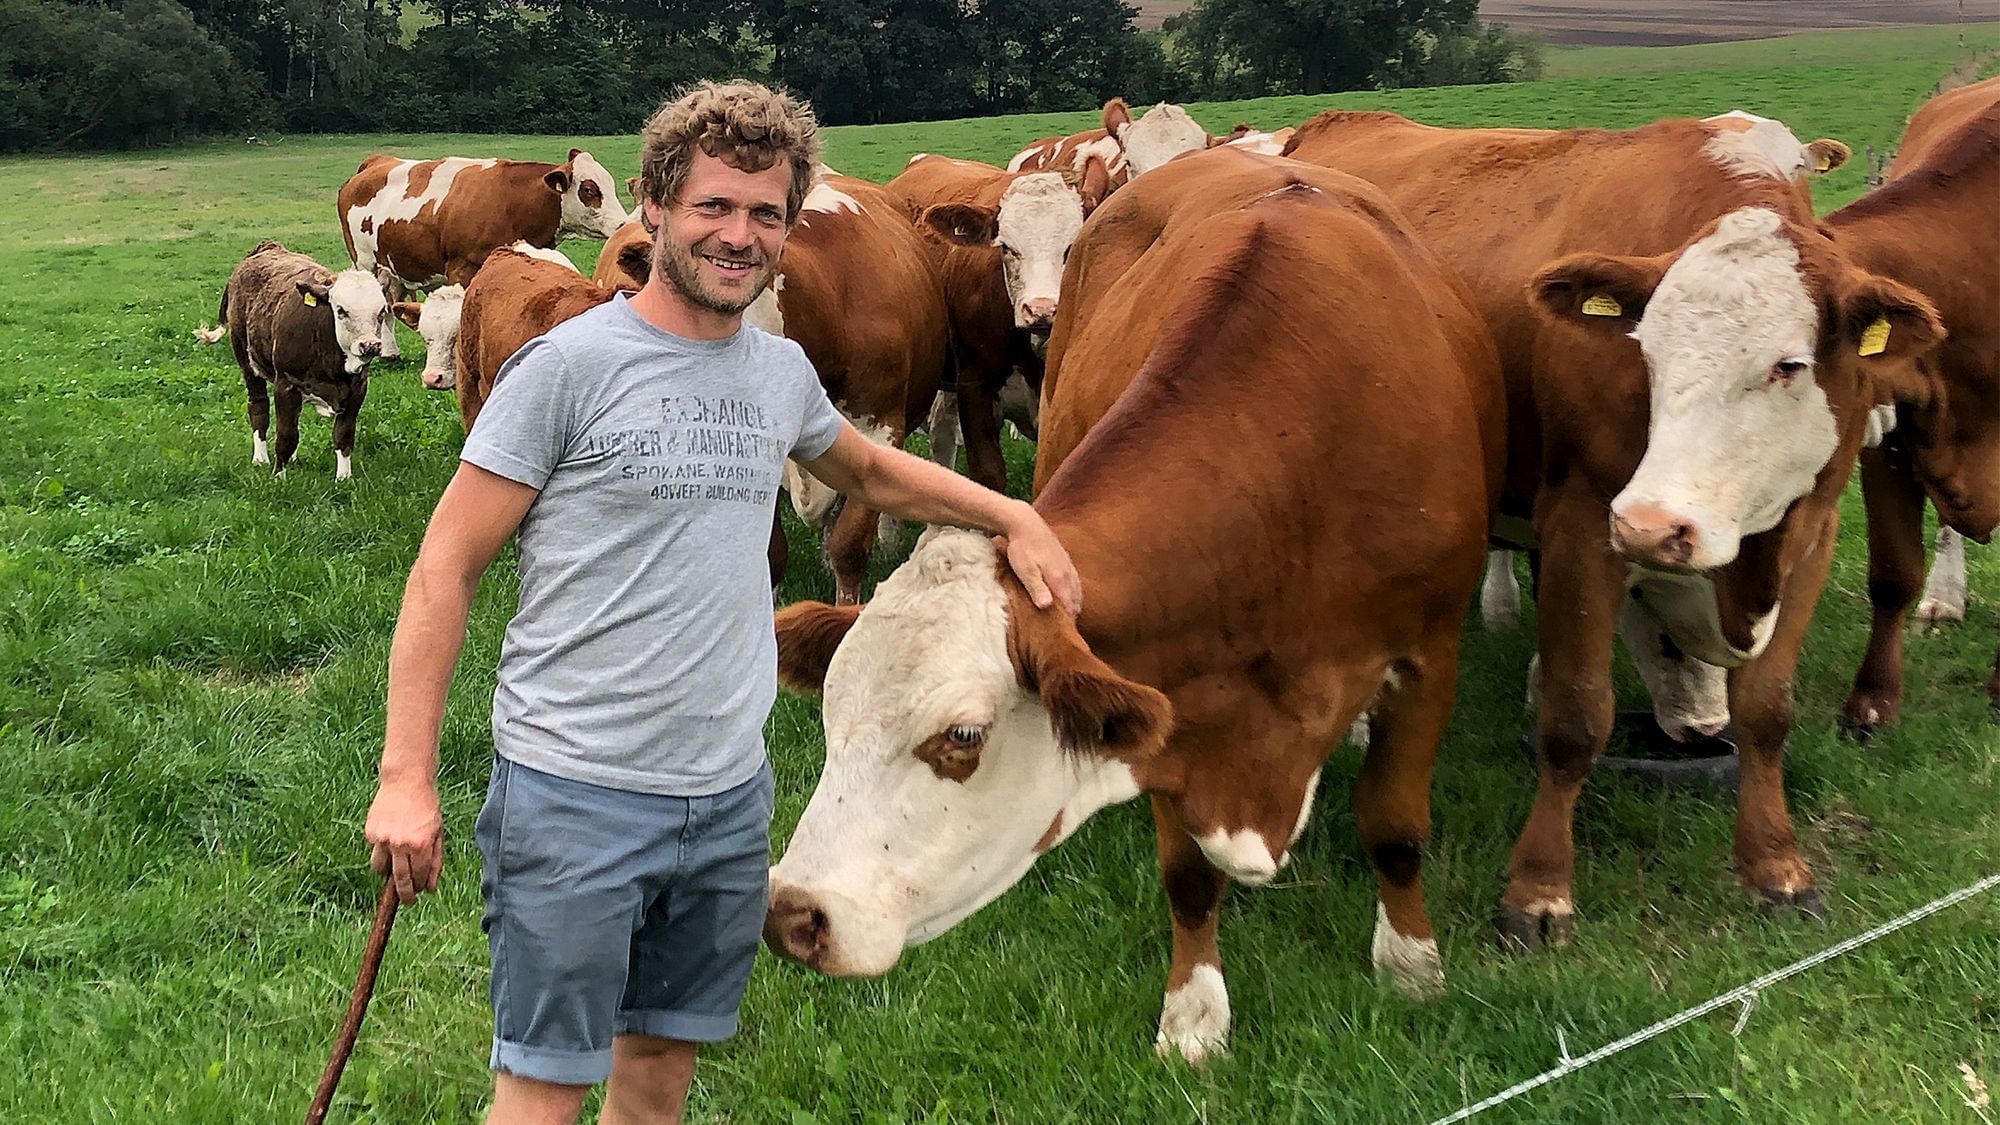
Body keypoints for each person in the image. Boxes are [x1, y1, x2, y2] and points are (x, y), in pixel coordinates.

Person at [363, 80, 1082, 1125]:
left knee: (659, 1077)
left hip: (726, 802)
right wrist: (404, 778)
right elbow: (445, 567)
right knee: (543, 1091)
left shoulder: (777, 374)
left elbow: (869, 471)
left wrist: (1011, 515)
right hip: (574, 795)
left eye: (765, 213)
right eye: (713, 206)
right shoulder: (567, 369)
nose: (738, 236)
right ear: (653, 207)